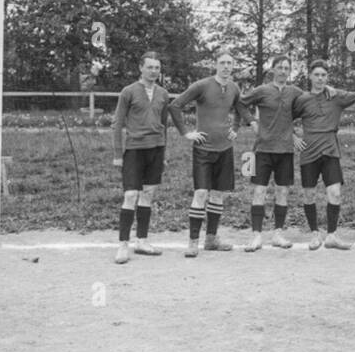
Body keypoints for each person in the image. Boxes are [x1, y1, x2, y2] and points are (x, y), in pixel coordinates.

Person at [169, 50, 251, 257]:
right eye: (222, 62)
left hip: (225, 148)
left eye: (229, 63)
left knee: (217, 194)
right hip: (203, 150)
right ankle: (193, 242)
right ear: (215, 65)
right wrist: (186, 132)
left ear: (233, 67)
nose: (226, 66)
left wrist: (237, 127)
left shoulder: (233, 87)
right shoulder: (202, 86)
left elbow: (240, 107)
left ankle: (211, 239)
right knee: (201, 193)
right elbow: (175, 105)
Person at [291, 61, 355, 251]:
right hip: (309, 151)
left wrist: (335, 89)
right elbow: (283, 117)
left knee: (335, 193)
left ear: (327, 78)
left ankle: (331, 235)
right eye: (317, 75)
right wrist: (293, 136)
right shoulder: (302, 99)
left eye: (323, 75)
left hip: (330, 150)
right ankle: (314, 233)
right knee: (309, 193)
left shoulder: (336, 96)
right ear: (310, 77)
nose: (320, 78)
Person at [110, 51, 171, 265]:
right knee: (130, 195)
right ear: (141, 68)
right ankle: (123, 245)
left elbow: (164, 126)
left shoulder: (163, 94)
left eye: (157, 68)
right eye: (150, 67)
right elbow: (117, 124)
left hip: (155, 150)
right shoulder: (128, 92)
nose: (154, 71)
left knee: (148, 194)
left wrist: (164, 154)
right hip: (134, 149)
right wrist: (118, 154)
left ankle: (142, 240)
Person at [239, 54, 302, 252]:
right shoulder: (262, 90)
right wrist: (251, 121)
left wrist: (296, 131)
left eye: (286, 67)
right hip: (263, 149)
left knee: (282, 191)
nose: (283, 71)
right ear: (273, 69)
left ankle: (277, 233)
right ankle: (256, 235)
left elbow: (311, 100)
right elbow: (239, 103)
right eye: (280, 67)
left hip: (285, 150)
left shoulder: (295, 92)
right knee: (260, 191)